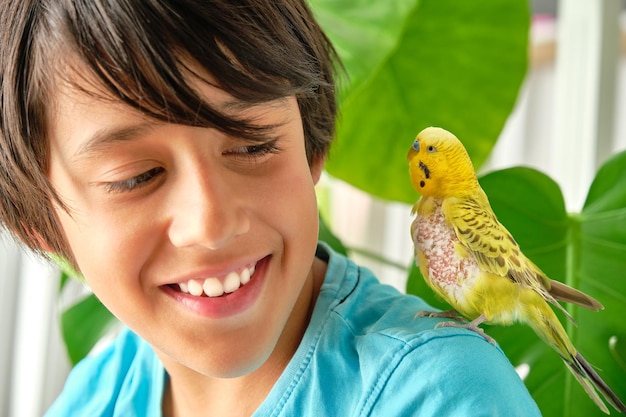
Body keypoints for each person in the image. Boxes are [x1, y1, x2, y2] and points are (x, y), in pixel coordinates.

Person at [0, 1, 541, 416]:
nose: (211, 223)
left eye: (253, 144)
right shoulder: (93, 397)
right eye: (136, 177)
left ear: (313, 146)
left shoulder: (440, 394)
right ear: (41, 225)